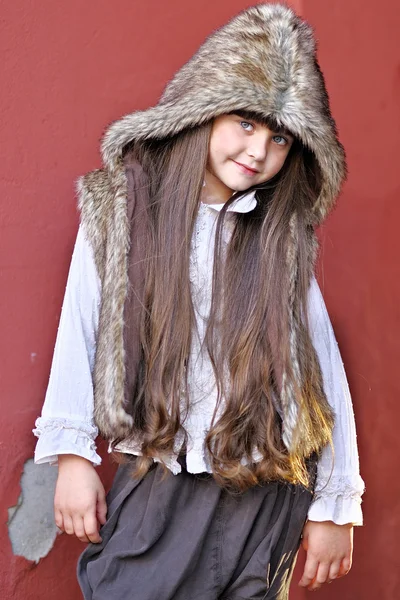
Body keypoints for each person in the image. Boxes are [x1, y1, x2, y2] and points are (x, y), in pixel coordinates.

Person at [33, 3, 365, 598]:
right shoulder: (124, 211)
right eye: (245, 121)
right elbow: (80, 325)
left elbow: (320, 372)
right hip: (164, 488)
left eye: (279, 136)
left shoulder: (279, 239)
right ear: (204, 109)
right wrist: (73, 458)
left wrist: (334, 505)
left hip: (266, 495)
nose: (258, 150)